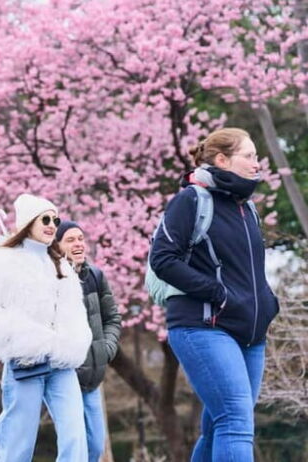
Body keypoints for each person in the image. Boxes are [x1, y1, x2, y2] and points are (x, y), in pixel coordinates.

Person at [149, 128, 279, 462]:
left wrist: (267, 301)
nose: (256, 163)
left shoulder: (245, 208)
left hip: (250, 334)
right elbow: (163, 259)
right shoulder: (191, 200)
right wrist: (218, 293)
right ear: (222, 160)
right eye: (248, 156)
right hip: (203, 325)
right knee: (236, 421)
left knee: (219, 426)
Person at [0, 194, 92, 462]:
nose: (51, 225)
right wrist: (24, 338)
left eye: (55, 220)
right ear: (27, 223)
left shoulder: (62, 267)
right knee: (17, 442)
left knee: (76, 437)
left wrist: (72, 341)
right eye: (45, 219)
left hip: (62, 362)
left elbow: (75, 314)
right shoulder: (0, 261)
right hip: (25, 361)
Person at [56, 221, 122, 462]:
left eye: (81, 238)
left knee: (95, 447)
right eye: (70, 240)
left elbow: (112, 318)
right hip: (64, 376)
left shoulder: (95, 276)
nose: (78, 244)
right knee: (74, 448)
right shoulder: (52, 279)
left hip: (93, 380)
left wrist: (106, 349)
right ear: (57, 247)